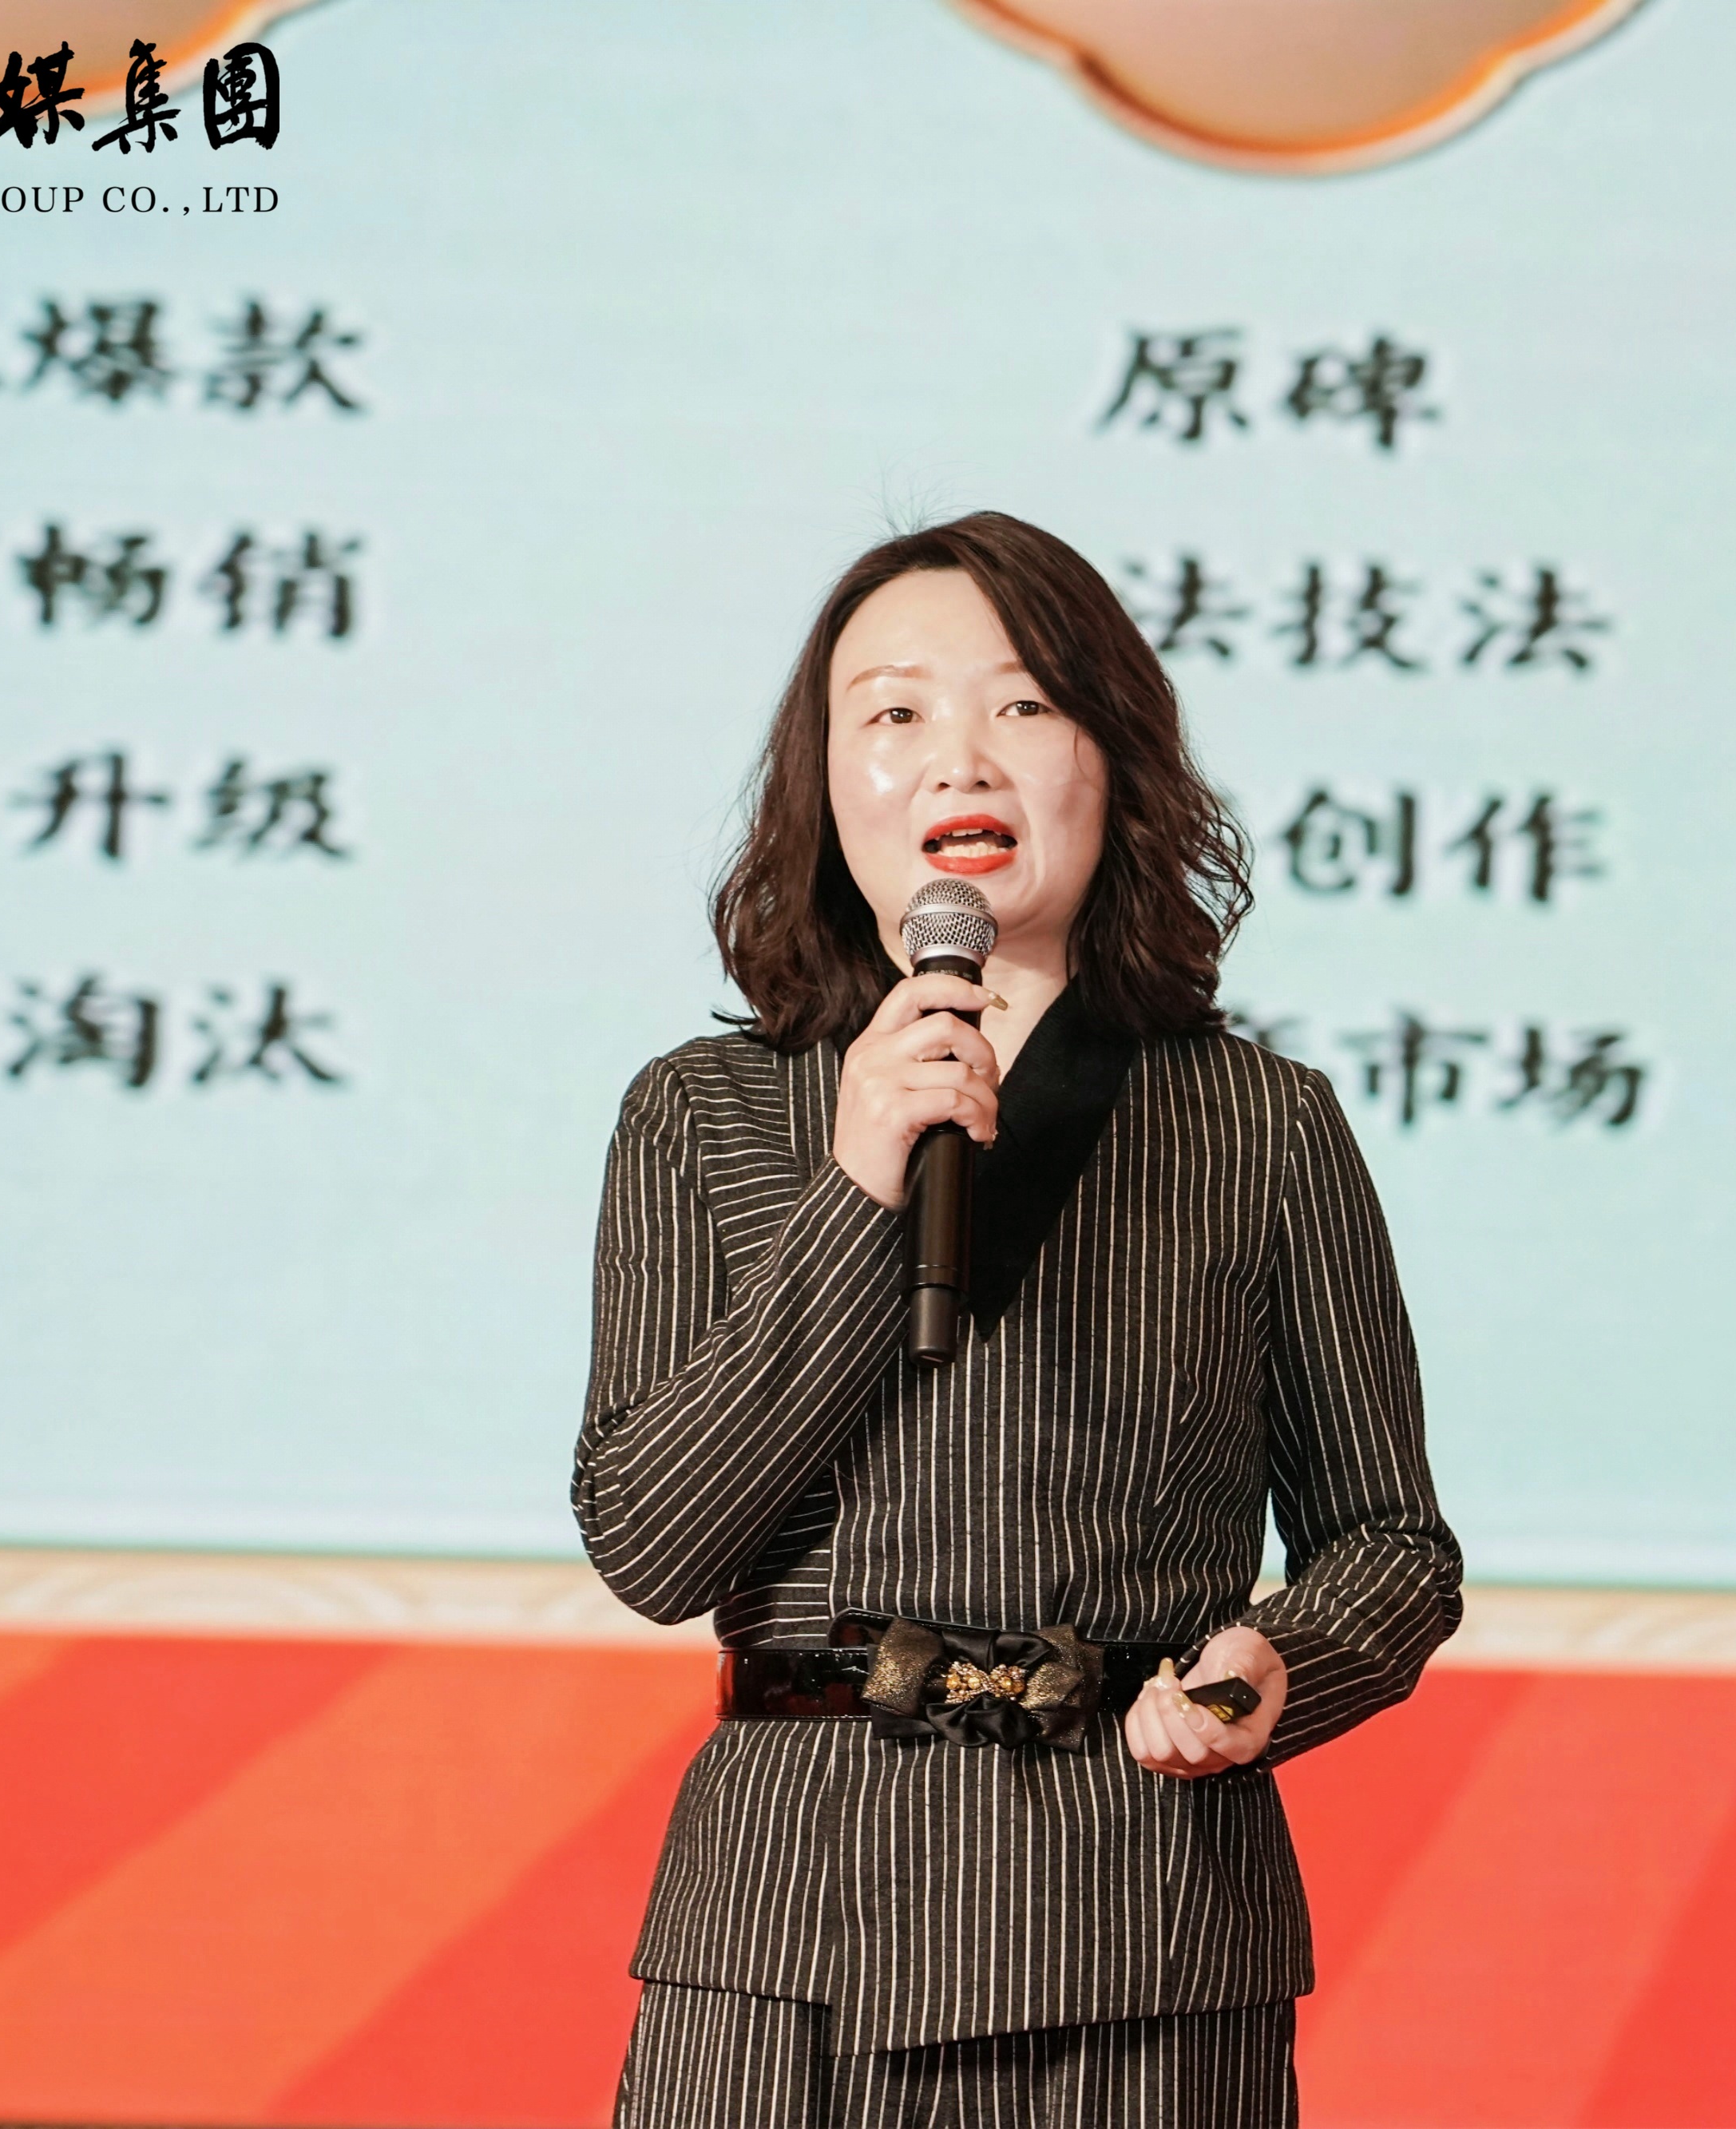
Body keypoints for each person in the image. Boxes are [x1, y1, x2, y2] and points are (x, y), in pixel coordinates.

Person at [576, 510, 1461, 2127]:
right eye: (895, 712)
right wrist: (859, 1186)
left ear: (1111, 759)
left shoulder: (1260, 1124)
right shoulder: (702, 1111)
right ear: (824, 781)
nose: (958, 757)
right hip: (787, 1927)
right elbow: (649, 1544)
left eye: (1023, 704)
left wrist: (1281, 1665)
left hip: (1143, 1917)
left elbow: (1392, 1542)